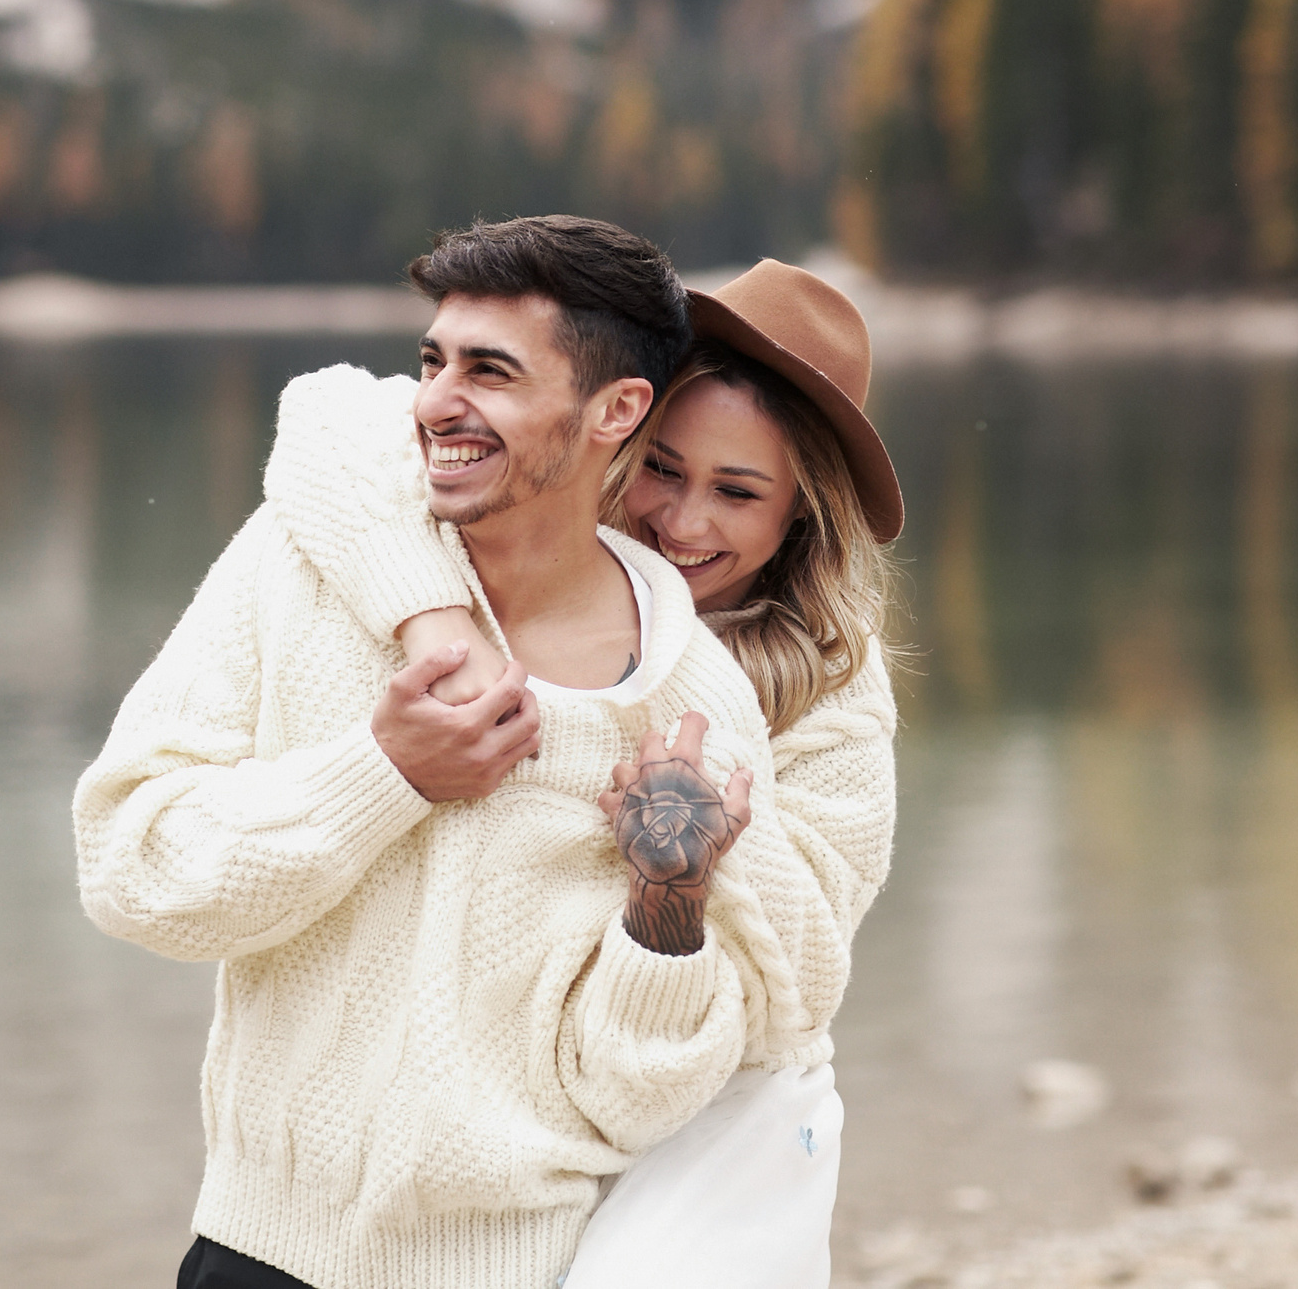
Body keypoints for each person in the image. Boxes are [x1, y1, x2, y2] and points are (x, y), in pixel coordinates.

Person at [73, 217, 850, 1289]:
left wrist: (667, 903)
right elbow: (132, 874)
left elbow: (639, 1098)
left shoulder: (697, 705)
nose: (435, 401)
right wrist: (382, 773)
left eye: (490, 372)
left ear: (616, 410)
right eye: (431, 360)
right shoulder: (300, 561)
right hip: (254, 1252)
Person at [261, 258, 904, 1288]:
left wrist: (686, 861)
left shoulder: (829, 679)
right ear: (619, 428)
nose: (681, 523)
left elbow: (806, 968)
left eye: (737, 493)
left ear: (800, 516)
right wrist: (430, 615)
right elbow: (328, 416)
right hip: (478, 1151)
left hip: (688, 1147)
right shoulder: (518, 556)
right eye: (663, 469)